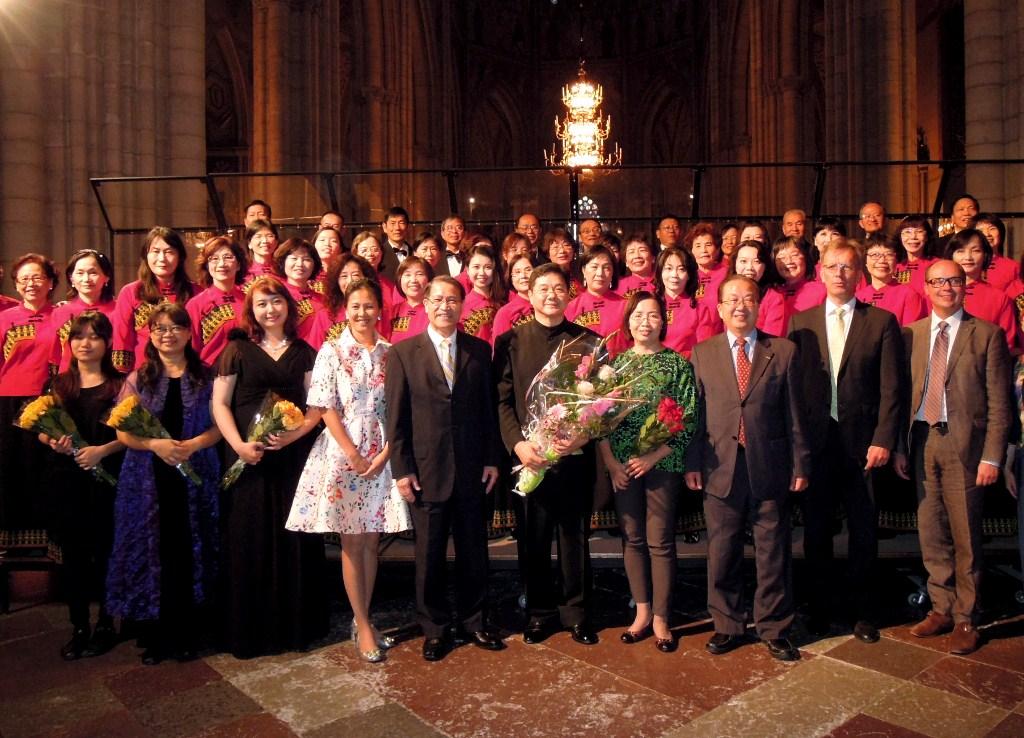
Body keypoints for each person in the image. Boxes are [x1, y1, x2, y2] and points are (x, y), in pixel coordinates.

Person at [685, 275, 810, 661]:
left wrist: (800, 463)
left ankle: (774, 626)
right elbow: (695, 416)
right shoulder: (703, 353)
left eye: (748, 299)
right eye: (732, 300)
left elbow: (795, 414)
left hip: (770, 465)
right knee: (722, 549)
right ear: (720, 309)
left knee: (773, 550)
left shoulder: (783, 351)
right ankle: (727, 624)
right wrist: (691, 462)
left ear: (758, 306)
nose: (741, 306)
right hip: (719, 465)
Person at [286, 278, 411, 662]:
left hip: (381, 455)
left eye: (369, 306)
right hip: (343, 454)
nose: (362, 313)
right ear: (345, 309)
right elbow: (325, 406)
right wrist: (353, 455)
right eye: (355, 306)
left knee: (372, 542)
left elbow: (399, 409)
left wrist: (386, 453)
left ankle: (362, 618)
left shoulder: (392, 353)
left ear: (380, 310)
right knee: (352, 543)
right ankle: (363, 623)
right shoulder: (331, 351)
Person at [788, 240, 904, 642]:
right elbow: (795, 392)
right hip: (818, 444)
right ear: (820, 272)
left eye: (848, 267)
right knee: (816, 530)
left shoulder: (881, 321)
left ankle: (864, 611)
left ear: (859, 274)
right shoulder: (801, 323)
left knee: (863, 530)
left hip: (864, 446)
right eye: (833, 266)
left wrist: (884, 438)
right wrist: (798, 445)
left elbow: (892, 388)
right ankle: (820, 608)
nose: (840, 273)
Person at [896, 260, 1013, 655]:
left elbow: (1000, 404)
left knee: (966, 536)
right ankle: (941, 607)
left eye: (954, 280)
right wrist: (900, 448)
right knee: (931, 531)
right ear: (926, 287)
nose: (946, 287)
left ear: (965, 286)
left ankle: (967, 617)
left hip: (966, 447)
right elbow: (901, 396)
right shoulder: (911, 334)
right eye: (938, 281)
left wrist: (992, 457)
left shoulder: (988, 334)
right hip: (921, 441)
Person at [387, 276, 504, 661]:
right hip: (426, 470)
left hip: (472, 468)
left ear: (462, 305)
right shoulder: (403, 353)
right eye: (437, 299)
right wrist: (402, 469)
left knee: (474, 550)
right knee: (429, 555)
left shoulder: (479, 350)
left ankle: (475, 621)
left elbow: (488, 411)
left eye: (452, 300)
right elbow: (396, 418)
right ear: (425, 304)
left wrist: (491, 458)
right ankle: (434, 627)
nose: (444, 306)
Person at [211, 276, 328, 658]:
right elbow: (220, 404)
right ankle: (251, 629)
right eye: (261, 304)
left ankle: (295, 627)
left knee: (293, 534)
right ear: (251, 310)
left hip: (293, 458)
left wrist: (294, 436)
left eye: (276, 301)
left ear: (288, 307)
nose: (270, 309)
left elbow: (317, 407)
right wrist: (238, 446)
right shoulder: (236, 350)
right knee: (249, 536)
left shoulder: (305, 352)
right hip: (248, 458)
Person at [106, 304, 221, 664]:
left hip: (195, 472)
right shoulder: (139, 378)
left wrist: (194, 444)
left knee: (189, 547)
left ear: (188, 333)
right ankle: (156, 634)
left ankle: (187, 631)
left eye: (175, 328)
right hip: (147, 478)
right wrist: (155, 444)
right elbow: (122, 432)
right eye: (159, 328)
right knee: (154, 549)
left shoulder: (207, 376)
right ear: (150, 335)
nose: (167, 335)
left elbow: (221, 426)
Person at [494, 263, 599, 645]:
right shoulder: (510, 341)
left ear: (569, 294)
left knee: (574, 538)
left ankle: (577, 613)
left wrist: (580, 438)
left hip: (574, 456)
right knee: (532, 538)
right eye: (543, 288)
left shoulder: (588, 341)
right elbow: (502, 401)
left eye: (558, 288)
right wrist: (519, 445)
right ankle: (539, 612)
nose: (551, 295)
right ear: (530, 294)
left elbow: (600, 403)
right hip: (530, 458)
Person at [599, 291, 696, 653]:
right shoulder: (615, 367)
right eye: (638, 315)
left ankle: (661, 618)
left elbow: (688, 420)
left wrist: (653, 457)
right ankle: (641, 612)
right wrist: (611, 464)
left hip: (662, 465)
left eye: (653, 315)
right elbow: (598, 421)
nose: (645, 322)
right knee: (633, 539)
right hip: (622, 467)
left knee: (660, 540)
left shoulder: (677, 364)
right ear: (628, 321)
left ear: (663, 321)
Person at [39, 312, 125, 660]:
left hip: (108, 478)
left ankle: (106, 623)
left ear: (108, 342)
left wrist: (102, 450)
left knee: (105, 552)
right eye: (78, 337)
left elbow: (134, 435)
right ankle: (78, 625)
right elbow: (40, 429)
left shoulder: (120, 385)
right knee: (73, 555)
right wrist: (52, 441)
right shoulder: (58, 385)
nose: (85, 343)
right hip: (67, 479)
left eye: (94, 336)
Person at [0, 254, 60, 551]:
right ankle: (9, 544)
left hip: (49, 401)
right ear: (16, 285)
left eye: (37, 277)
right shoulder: (4, 318)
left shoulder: (63, 316)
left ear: (50, 282)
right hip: (7, 402)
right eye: (24, 279)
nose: (30, 284)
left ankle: (50, 544)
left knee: (46, 471)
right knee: (10, 470)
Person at [111, 227, 198, 372]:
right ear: (146, 255)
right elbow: (122, 340)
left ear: (180, 256)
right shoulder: (131, 292)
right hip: (144, 373)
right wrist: (122, 376)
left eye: (169, 252)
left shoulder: (196, 292)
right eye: (155, 251)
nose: (162, 258)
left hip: (187, 371)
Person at [945, 228, 1020, 354]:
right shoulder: (937, 293)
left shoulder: (999, 298)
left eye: (976, 251)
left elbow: (1006, 343)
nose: (968, 257)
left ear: (985, 256)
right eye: (960, 251)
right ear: (951, 255)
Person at [49, 249, 117, 373]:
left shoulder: (119, 310)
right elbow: (54, 357)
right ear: (71, 278)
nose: (86, 279)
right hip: (68, 379)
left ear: (106, 277)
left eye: (93, 273)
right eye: (80, 273)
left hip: (109, 378)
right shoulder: (60, 312)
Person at [186, 236, 248, 366]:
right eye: (214, 259)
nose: (221, 264)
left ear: (238, 264)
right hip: (210, 373)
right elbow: (191, 349)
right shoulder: (195, 304)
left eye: (228, 257)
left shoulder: (250, 300)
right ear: (207, 266)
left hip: (249, 371)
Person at [654, 247, 720, 358]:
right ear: (660, 272)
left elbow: (705, 349)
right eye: (668, 268)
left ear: (689, 275)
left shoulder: (699, 309)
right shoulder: (649, 304)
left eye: (681, 269)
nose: (674, 275)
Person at [309, 253, 387, 346]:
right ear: (336, 281)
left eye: (356, 275)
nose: (350, 281)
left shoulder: (377, 310)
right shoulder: (324, 315)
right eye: (344, 276)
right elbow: (314, 350)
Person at [566, 245, 627, 355]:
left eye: (606, 268)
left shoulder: (626, 306)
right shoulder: (570, 308)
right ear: (583, 270)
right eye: (594, 267)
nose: (600, 273)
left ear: (613, 273)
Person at [855, 236, 928, 326]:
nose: (882, 260)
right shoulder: (858, 297)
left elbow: (910, 331)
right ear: (865, 262)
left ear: (896, 261)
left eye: (888, 255)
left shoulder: (909, 295)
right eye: (875, 255)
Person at [273, 237, 326, 348]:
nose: (300, 264)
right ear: (283, 262)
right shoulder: (276, 296)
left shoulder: (323, 299)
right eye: (294, 258)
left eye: (306, 259)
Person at [730, 240, 786, 336]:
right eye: (743, 261)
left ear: (765, 266)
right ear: (735, 264)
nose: (749, 267)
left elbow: (771, 339)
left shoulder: (774, 298)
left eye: (757, 262)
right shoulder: (728, 293)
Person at [772, 237, 826, 328]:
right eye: (781, 257)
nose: (789, 261)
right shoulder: (772, 293)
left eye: (794, 255)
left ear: (806, 258)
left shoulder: (822, 291)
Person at [461, 243, 505, 344]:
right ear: (467, 270)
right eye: (476, 267)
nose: (482, 273)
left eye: (488, 267)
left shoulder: (504, 301)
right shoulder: (461, 305)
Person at [970, 213, 1019, 292]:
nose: (987, 234)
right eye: (980, 230)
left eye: (992, 229)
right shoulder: (965, 265)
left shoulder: (1013, 267)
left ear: (1001, 233)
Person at [389, 256, 434, 343]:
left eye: (419, 274)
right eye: (407, 275)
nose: (413, 280)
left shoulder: (435, 310)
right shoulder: (392, 312)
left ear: (429, 279)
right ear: (399, 280)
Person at [893, 216, 938, 298]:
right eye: (907, 232)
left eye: (919, 231)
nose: (913, 237)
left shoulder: (937, 264)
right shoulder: (895, 267)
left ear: (927, 237)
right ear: (900, 237)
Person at [493, 253, 534, 339]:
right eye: (517, 272)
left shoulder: (548, 305)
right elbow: (500, 346)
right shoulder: (505, 313)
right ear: (511, 278)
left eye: (528, 270)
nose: (523, 276)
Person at [686, 223, 727, 304]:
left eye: (708, 245)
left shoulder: (727, 273)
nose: (703, 250)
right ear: (691, 251)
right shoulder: (687, 276)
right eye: (698, 246)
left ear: (717, 249)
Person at [351, 230, 398, 301]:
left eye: (375, 249)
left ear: (381, 253)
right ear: (355, 254)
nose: (370, 254)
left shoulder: (389, 284)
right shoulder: (351, 281)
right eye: (364, 250)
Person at [543, 229, 583, 299]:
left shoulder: (583, 273)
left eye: (566, 245)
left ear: (573, 250)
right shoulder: (543, 277)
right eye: (555, 247)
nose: (562, 251)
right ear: (548, 254)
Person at [616, 233, 658, 298]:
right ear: (626, 262)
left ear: (653, 258)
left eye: (642, 250)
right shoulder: (619, 286)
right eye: (631, 252)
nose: (637, 256)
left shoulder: (664, 282)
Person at [241, 219, 280, 286]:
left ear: (276, 242)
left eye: (269, 236)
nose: (264, 241)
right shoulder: (242, 272)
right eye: (258, 236)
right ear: (249, 243)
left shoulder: (284, 270)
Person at [380, 206, 412, 281]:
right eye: (392, 223)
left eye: (401, 223)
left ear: (408, 227)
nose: (397, 228)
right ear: (384, 227)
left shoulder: (415, 252)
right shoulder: (379, 254)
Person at [310, 226, 343, 295]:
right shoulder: (307, 272)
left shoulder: (343, 272)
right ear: (313, 246)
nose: (327, 244)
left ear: (340, 249)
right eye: (322, 240)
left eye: (333, 241)